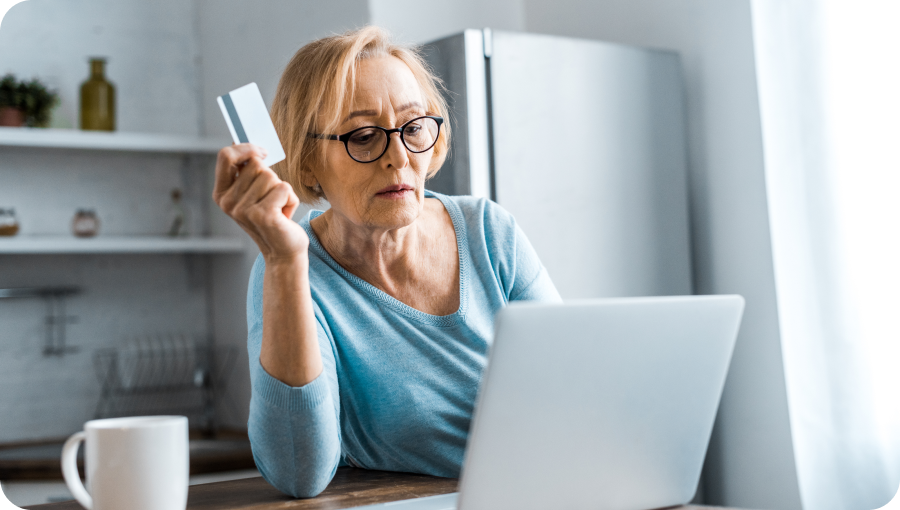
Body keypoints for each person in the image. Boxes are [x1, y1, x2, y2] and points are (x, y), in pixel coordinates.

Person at [212, 26, 560, 498]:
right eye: (363, 135)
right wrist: (284, 259)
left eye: (413, 127)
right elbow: (298, 472)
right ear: (308, 161)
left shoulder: (489, 232)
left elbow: (572, 392)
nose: (398, 157)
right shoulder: (291, 274)